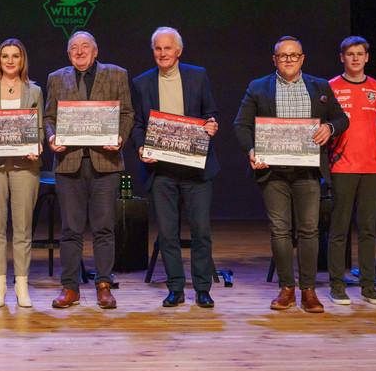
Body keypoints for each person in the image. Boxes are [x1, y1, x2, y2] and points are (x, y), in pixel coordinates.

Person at [233, 36, 348, 314]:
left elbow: (342, 118)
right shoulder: (258, 87)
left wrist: (330, 128)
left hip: (308, 171)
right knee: (280, 230)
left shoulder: (320, 86)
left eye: (294, 55)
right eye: (283, 56)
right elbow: (241, 125)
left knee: (309, 230)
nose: (288, 60)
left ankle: (309, 290)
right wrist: (251, 150)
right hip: (273, 172)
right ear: (274, 60)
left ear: (302, 58)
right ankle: (287, 288)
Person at [44, 31, 134, 309]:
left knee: (104, 227)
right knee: (70, 229)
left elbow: (127, 114)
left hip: (105, 162)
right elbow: (49, 117)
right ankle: (70, 288)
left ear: (96, 51)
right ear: (68, 53)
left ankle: (104, 285)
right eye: (74, 48)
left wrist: (120, 137)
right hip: (68, 162)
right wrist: (51, 136)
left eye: (85, 47)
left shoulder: (117, 74)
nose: (80, 52)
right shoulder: (56, 78)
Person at [131, 27, 219, 308]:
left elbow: (210, 112)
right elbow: (137, 124)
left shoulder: (198, 76)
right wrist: (141, 147)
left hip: (196, 169)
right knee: (167, 234)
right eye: (157, 48)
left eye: (167, 48)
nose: (162, 53)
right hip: (162, 171)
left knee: (201, 231)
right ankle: (175, 288)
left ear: (178, 51)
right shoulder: (142, 83)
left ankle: (202, 289)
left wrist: (211, 124)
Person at [0, 38, 43, 308]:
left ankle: (22, 286)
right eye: (5, 56)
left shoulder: (34, 91)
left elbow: (38, 129)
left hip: (25, 165)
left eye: (16, 56)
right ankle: (0, 286)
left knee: (23, 228)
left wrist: (37, 146)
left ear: (22, 60)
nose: (11, 61)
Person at [326, 36, 376, 306]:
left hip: (372, 168)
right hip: (342, 167)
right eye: (350, 54)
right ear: (342, 57)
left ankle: (368, 286)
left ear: (367, 57)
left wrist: (369, 147)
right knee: (339, 229)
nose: (355, 58)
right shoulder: (330, 87)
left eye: (359, 54)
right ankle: (337, 285)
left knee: (368, 229)